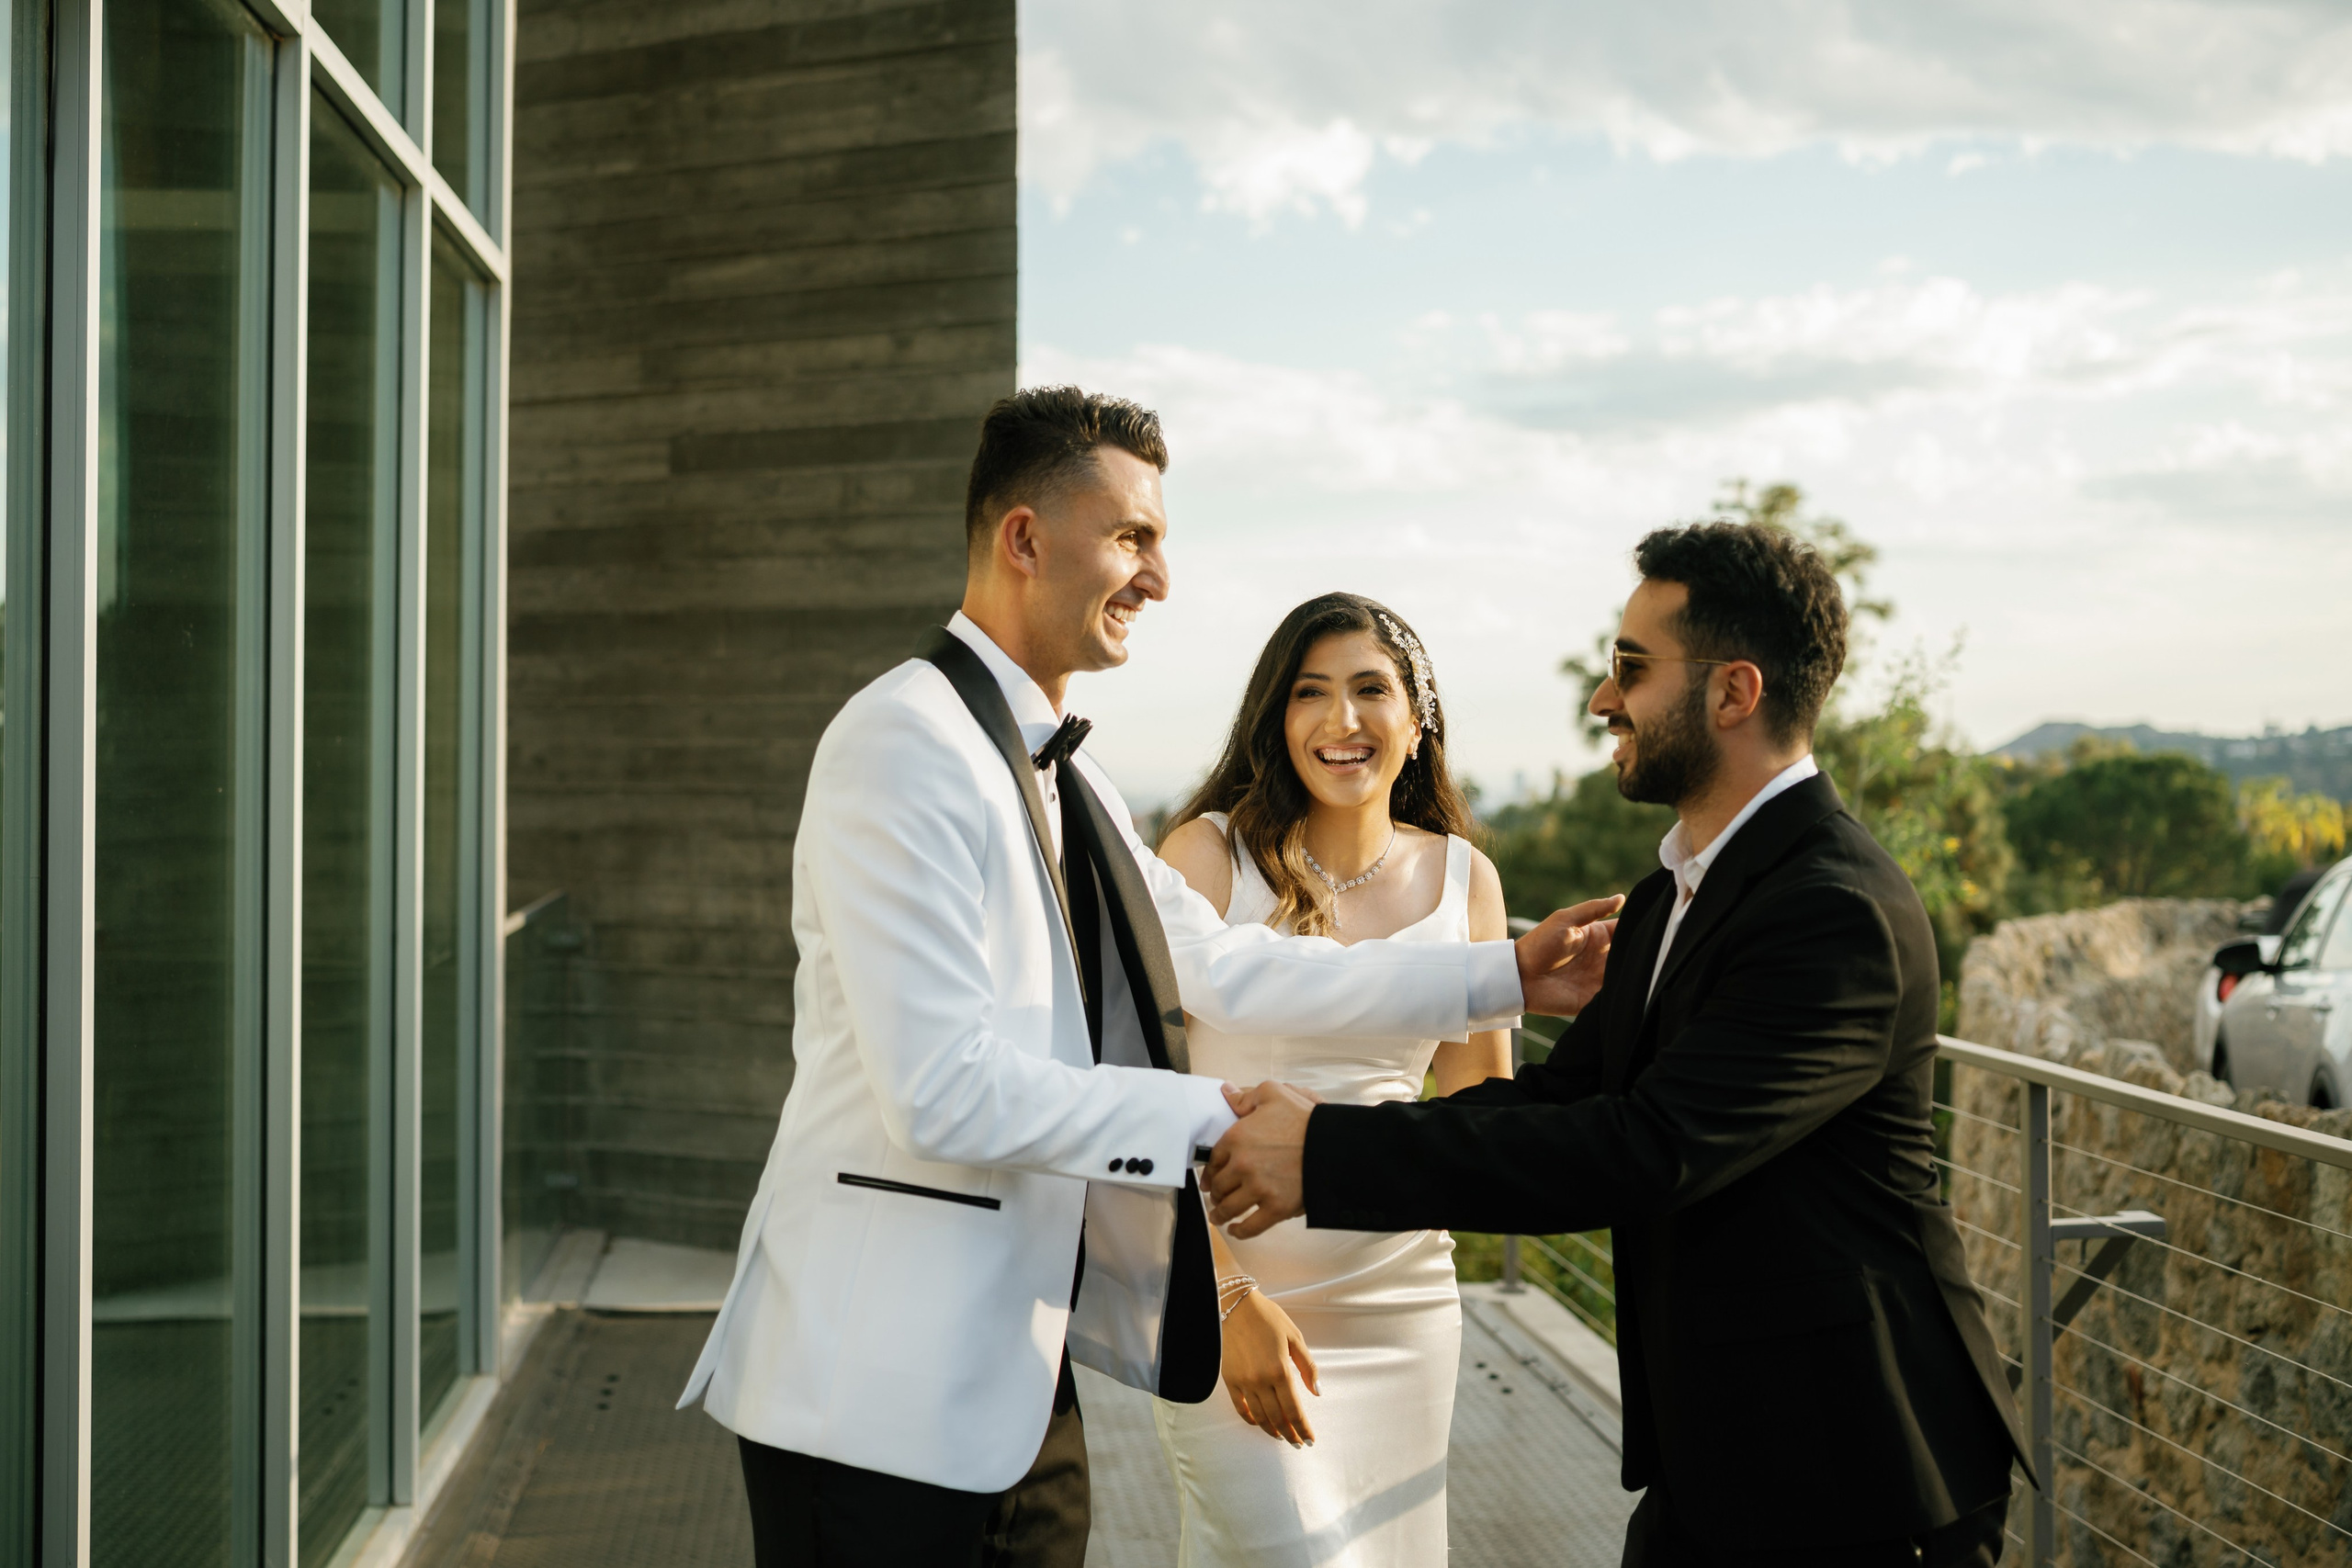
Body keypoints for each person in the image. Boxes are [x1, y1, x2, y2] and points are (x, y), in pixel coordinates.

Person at [675, 387, 1620, 1568]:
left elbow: (1226, 965)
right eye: (1133, 538)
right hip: (870, 1395)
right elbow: (942, 1091)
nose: (1159, 579)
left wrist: (1505, 976)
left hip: (1019, 1384)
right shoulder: (900, 742)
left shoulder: (1074, 780)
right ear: (1024, 539)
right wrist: (1226, 1120)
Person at [1207, 522, 2031, 1568]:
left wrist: (1326, 1154)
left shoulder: (1833, 911)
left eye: (1631, 670)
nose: (1603, 699)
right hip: (1719, 1458)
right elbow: (1562, 1097)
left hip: (1856, 1471)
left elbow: (1643, 1150)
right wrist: (1330, 1141)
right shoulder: (1669, 894)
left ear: (1732, 694)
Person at [1150, 592, 1507, 1566]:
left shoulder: (1463, 880)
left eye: (1369, 690)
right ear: (1276, 718)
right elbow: (1139, 1094)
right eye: (1310, 694)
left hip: (1404, 1308)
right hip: (1230, 1299)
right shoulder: (1208, 859)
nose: (1340, 721)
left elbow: (1479, 1122)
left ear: (1416, 715)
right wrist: (1221, 1299)